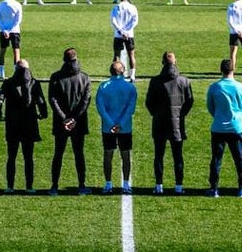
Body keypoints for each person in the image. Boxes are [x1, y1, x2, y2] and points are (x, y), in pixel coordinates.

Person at [145, 51, 194, 195]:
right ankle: (179, 186)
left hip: (159, 123)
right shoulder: (184, 81)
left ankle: (159, 185)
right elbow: (189, 101)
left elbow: (149, 102)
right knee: (177, 156)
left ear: (162, 62)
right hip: (177, 124)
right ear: (175, 62)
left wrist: (156, 114)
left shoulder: (155, 81)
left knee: (158, 155)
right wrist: (181, 114)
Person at [0, 59, 46, 193]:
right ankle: (29, 186)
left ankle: (10, 186)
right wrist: (43, 114)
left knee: (11, 156)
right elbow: (41, 101)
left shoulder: (8, 83)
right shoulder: (34, 83)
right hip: (29, 123)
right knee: (28, 157)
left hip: (12, 124)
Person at [49, 47, 92, 195]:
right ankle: (81, 185)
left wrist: (64, 118)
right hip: (78, 122)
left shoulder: (56, 77)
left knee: (58, 153)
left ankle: (54, 186)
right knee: (79, 153)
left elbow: (53, 100)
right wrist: (74, 119)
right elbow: (86, 101)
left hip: (61, 123)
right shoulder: (84, 77)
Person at [206, 59, 242, 198]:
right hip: (236, 127)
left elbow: (210, 107)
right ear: (233, 69)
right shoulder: (241, 87)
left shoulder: (214, 87)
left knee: (216, 159)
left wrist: (219, 116)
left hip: (218, 127)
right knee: (240, 159)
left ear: (221, 70)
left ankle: (214, 189)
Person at [96, 59, 137, 194]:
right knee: (125, 155)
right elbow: (130, 109)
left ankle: (108, 184)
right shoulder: (130, 87)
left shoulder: (103, 86)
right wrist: (120, 124)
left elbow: (101, 108)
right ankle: (126, 184)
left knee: (108, 154)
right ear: (123, 71)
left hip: (108, 128)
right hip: (125, 127)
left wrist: (111, 124)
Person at [0, 0, 23, 79]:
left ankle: (1, 72)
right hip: (15, 31)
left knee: (2, 50)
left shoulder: (0, 4)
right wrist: (10, 30)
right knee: (16, 51)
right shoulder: (17, 4)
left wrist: (4, 30)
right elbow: (18, 20)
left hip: (3, 31)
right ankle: (16, 72)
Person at [110, 0, 139, 80]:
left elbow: (113, 21)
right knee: (131, 55)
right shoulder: (132, 7)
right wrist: (127, 31)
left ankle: (116, 75)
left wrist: (120, 31)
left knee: (116, 55)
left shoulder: (116, 7)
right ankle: (132, 75)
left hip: (118, 35)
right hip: (129, 35)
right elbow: (135, 21)